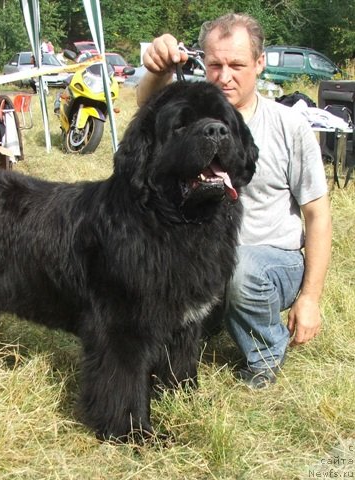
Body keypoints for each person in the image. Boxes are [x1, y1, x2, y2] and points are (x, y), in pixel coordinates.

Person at [137, 13, 332, 389]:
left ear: (260, 63)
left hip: (269, 261)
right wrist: (158, 69)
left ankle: (265, 354)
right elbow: (148, 114)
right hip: (204, 257)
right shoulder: (192, 115)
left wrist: (311, 298)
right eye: (215, 64)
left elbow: (318, 216)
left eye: (237, 65)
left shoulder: (290, 127)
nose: (224, 76)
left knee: (241, 269)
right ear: (202, 63)